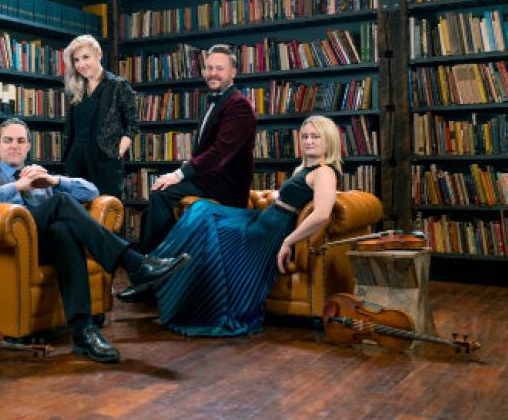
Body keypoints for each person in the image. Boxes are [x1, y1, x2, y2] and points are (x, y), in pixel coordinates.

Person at [0, 118, 188, 363]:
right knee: (60, 203)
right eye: (8, 141)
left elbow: (91, 192)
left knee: (63, 231)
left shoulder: (40, 175)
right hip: (11, 250)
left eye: (20, 141)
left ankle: (83, 332)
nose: (14, 146)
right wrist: (17, 186)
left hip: (44, 246)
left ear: (28, 147)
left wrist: (54, 181)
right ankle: (135, 264)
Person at [119, 116, 342, 337]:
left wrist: (288, 241)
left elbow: (322, 214)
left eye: (315, 136)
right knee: (202, 211)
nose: (309, 141)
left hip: (269, 233)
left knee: (204, 219)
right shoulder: (306, 169)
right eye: (305, 136)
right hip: (261, 219)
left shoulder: (324, 172)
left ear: (328, 141)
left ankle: (150, 273)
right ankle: (154, 268)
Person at [136, 44, 257, 255]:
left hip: (225, 187)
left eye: (219, 69)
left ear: (233, 73)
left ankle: (155, 261)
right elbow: (204, 152)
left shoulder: (239, 106)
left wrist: (179, 174)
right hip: (209, 179)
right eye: (209, 68)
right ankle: (160, 257)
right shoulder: (214, 102)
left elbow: (220, 152)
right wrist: (183, 171)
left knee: (162, 193)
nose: (213, 73)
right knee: (157, 194)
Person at [62, 35, 138, 198]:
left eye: (86, 57)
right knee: (78, 213)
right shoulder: (75, 88)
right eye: (76, 60)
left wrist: (118, 151)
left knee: (107, 212)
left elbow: (132, 125)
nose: (81, 64)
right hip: (77, 159)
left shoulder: (118, 85)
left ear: (99, 55)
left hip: (105, 160)